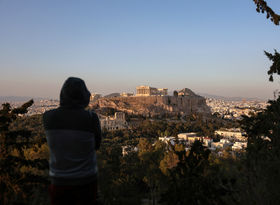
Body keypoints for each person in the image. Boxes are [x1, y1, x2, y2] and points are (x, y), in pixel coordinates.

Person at [43, 77, 101, 205]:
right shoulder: (91, 118)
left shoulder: (48, 117)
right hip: (86, 182)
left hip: (59, 182)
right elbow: (97, 145)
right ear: (83, 96)